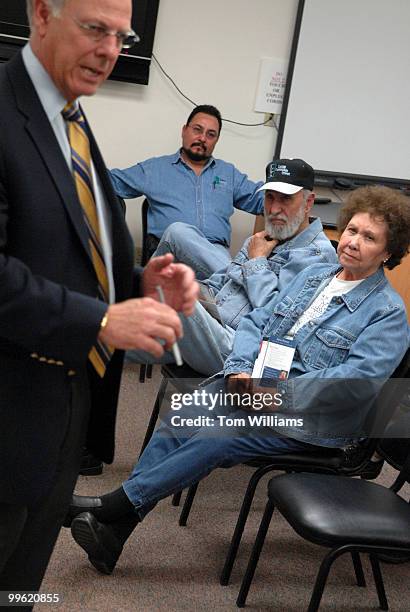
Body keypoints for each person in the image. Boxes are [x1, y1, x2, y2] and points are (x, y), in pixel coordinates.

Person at [69, 185, 410, 575]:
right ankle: (116, 532)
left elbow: (353, 385)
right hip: (258, 384)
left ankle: (113, 508)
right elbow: (257, 320)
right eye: (351, 230)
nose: (353, 242)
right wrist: (239, 369)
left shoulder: (387, 313)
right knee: (184, 411)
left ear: (388, 252)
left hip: (318, 420)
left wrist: (276, 396)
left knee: (224, 432)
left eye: (369, 238)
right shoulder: (316, 275)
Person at [0, 0, 197, 597]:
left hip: (59, 416)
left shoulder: (71, 119)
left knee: (21, 586)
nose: (112, 50)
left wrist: (137, 282)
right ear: (40, 14)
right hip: (9, 408)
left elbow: (65, 248)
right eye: (95, 29)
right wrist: (103, 318)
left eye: (122, 34)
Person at [126, 159, 338, 375]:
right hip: (213, 320)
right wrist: (199, 291)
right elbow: (225, 281)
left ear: (308, 202)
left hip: (241, 350)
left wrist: (257, 263)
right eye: (269, 197)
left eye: (285, 199)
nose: (274, 209)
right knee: (109, 341)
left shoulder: (318, 258)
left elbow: (278, 322)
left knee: (169, 293)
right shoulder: (266, 236)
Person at [110, 104, 265, 278]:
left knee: (217, 290)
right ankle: (238, 281)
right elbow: (108, 181)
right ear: (184, 130)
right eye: (197, 130)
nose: (202, 138)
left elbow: (262, 199)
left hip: (214, 257)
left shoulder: (228, 173)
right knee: (178, 231)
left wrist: (292, 193)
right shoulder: (155, 169)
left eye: (210, 134)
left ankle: (231, 283)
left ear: (217, 140)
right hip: (169, 258)